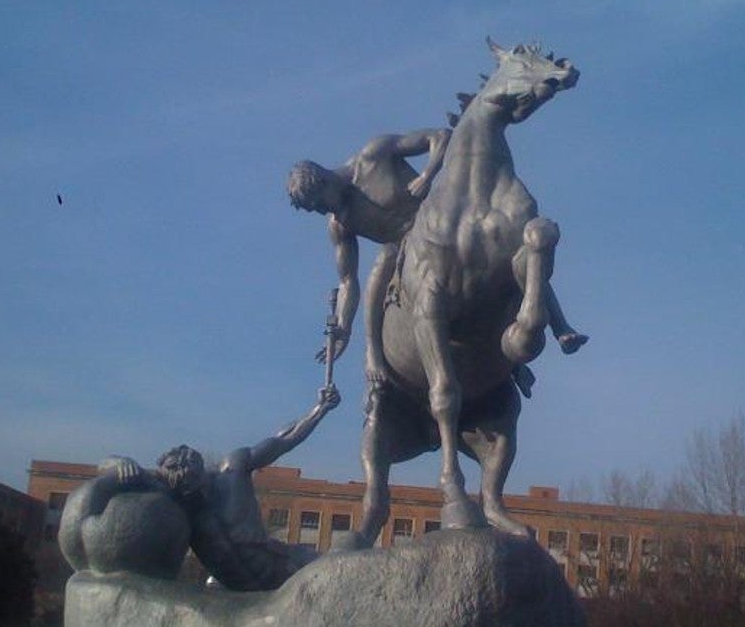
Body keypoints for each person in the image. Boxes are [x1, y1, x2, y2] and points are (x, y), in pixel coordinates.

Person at [288, 130, 587, 396]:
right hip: (406, 251)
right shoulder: (340, 224)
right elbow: (347, 281)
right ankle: (374, 354)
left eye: (319, 203)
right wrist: (342, 329)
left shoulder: (374, 154)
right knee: (382, 264)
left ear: (325, 179)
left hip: (443, 223)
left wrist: (427, 175)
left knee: (511, 246)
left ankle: (559, 326)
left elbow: (440, 138)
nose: (323, 212)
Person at [78, 385, 341, 591]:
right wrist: (118, 462)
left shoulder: (233, 469)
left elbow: (283, 440)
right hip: (234, 594)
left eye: (195, 480)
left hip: (288, 570)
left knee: (341, 569)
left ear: (202, 469)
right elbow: (108, 465)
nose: (193, 491)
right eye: (185, 488)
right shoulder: (177, 492)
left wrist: (319, 409)